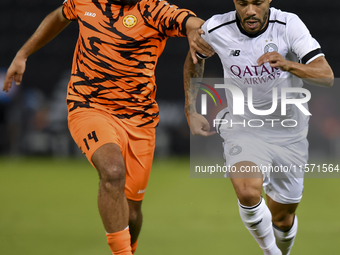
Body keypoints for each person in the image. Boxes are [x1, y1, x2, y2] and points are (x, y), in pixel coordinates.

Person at [2, 0, 213, 254]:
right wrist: (22, 54)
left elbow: (195, 25)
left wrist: (194, 30)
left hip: (139, 119)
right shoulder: (86, 2)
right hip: (89, 106)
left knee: (132, 213)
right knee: (112, 171)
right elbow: (59, 16)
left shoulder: (154, 9)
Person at [184, 0, 333, 254]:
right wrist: (191, 108)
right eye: (243, 3)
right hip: (244, 124)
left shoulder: (289, 25)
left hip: (289, 130)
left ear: (269, 1)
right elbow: (194, 60)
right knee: (247, 191)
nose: (250, 10)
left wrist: (289, 64)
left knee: (282, 220)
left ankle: (282, 250)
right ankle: (271, 252)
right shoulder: (216, 29)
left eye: (258, 3)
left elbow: (326, 75)